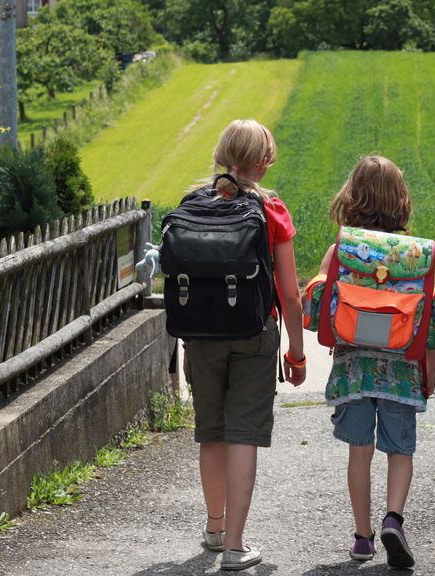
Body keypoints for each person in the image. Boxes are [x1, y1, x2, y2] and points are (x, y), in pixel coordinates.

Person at [183, 119, 306, 571]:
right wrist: (296, 351)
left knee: (210, 432)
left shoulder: (193, 201)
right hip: (255, 334)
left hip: (200, 336)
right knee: (242, 436)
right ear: (264, 162)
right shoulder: (271, 209)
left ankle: (214, 528)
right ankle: (236, 546)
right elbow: (290, 295)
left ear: (221, 153)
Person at [315, 156, 435, 569]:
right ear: (400, 200)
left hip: (353, 368)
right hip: (402, 371)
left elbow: (317, 308)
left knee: (360, 451)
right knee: (400, 449)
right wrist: (429, 371)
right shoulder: (415, 255)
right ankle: (394, 519)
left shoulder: (341, 250)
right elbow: (428, 320)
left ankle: (363, 536)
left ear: (352, 197)